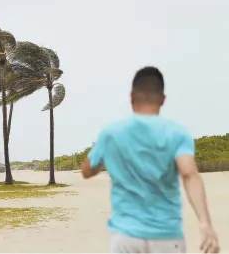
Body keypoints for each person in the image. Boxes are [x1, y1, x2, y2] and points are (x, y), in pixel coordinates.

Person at [81, 66, 220, 253]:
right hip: (167, 237)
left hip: (126, 237)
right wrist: (205, 224)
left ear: (131, 97)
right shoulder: (177, 133)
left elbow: (87, 171)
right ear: (163, 99)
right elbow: (189, 174)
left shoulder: (112, 133)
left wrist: (107, 156)